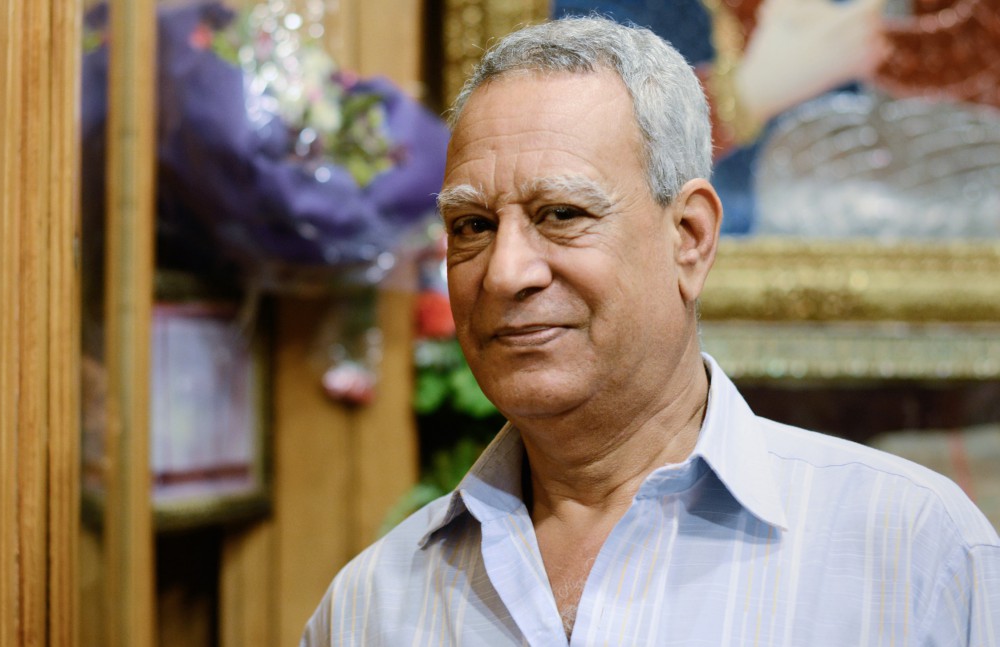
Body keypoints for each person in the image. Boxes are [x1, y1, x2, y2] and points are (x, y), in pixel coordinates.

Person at [300, 16, 999, 646]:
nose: (505, 273)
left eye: (561, 213)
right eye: (472, 227)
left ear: (689, 237)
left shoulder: (911, 553)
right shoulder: (369, 609)